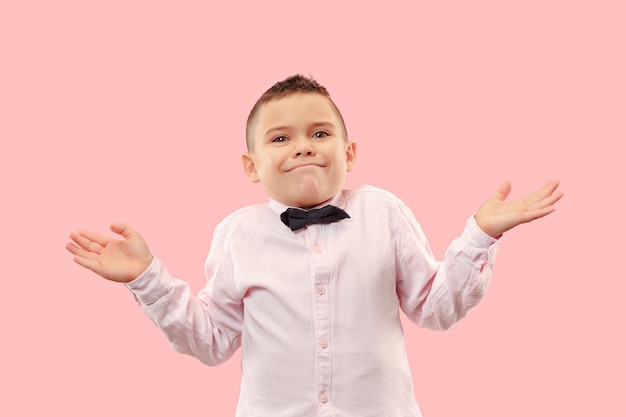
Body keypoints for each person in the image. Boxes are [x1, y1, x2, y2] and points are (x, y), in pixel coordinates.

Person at [66, 74, 563, 416]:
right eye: (280, 138)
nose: (303, 145)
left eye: (319, 133)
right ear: (251, 166)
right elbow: (211, 340)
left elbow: (435, 308)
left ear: (348, 152)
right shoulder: (237, 234)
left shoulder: (384, 212)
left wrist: (480, 235)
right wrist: (146, 277)